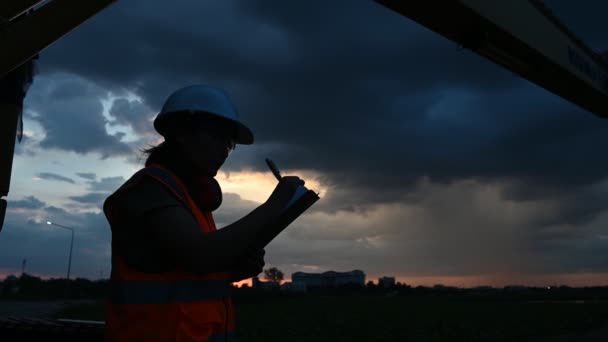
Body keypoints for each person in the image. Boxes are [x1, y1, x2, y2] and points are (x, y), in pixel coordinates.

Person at [102, 84, 304, 342]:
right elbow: (201, 255)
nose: (224, 150)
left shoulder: (190, 198)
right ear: (181, 132)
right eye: (218, 137)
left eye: (229, 143)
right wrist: (274, 205)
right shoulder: (150, 189)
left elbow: (183, 272)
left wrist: (230, 271)